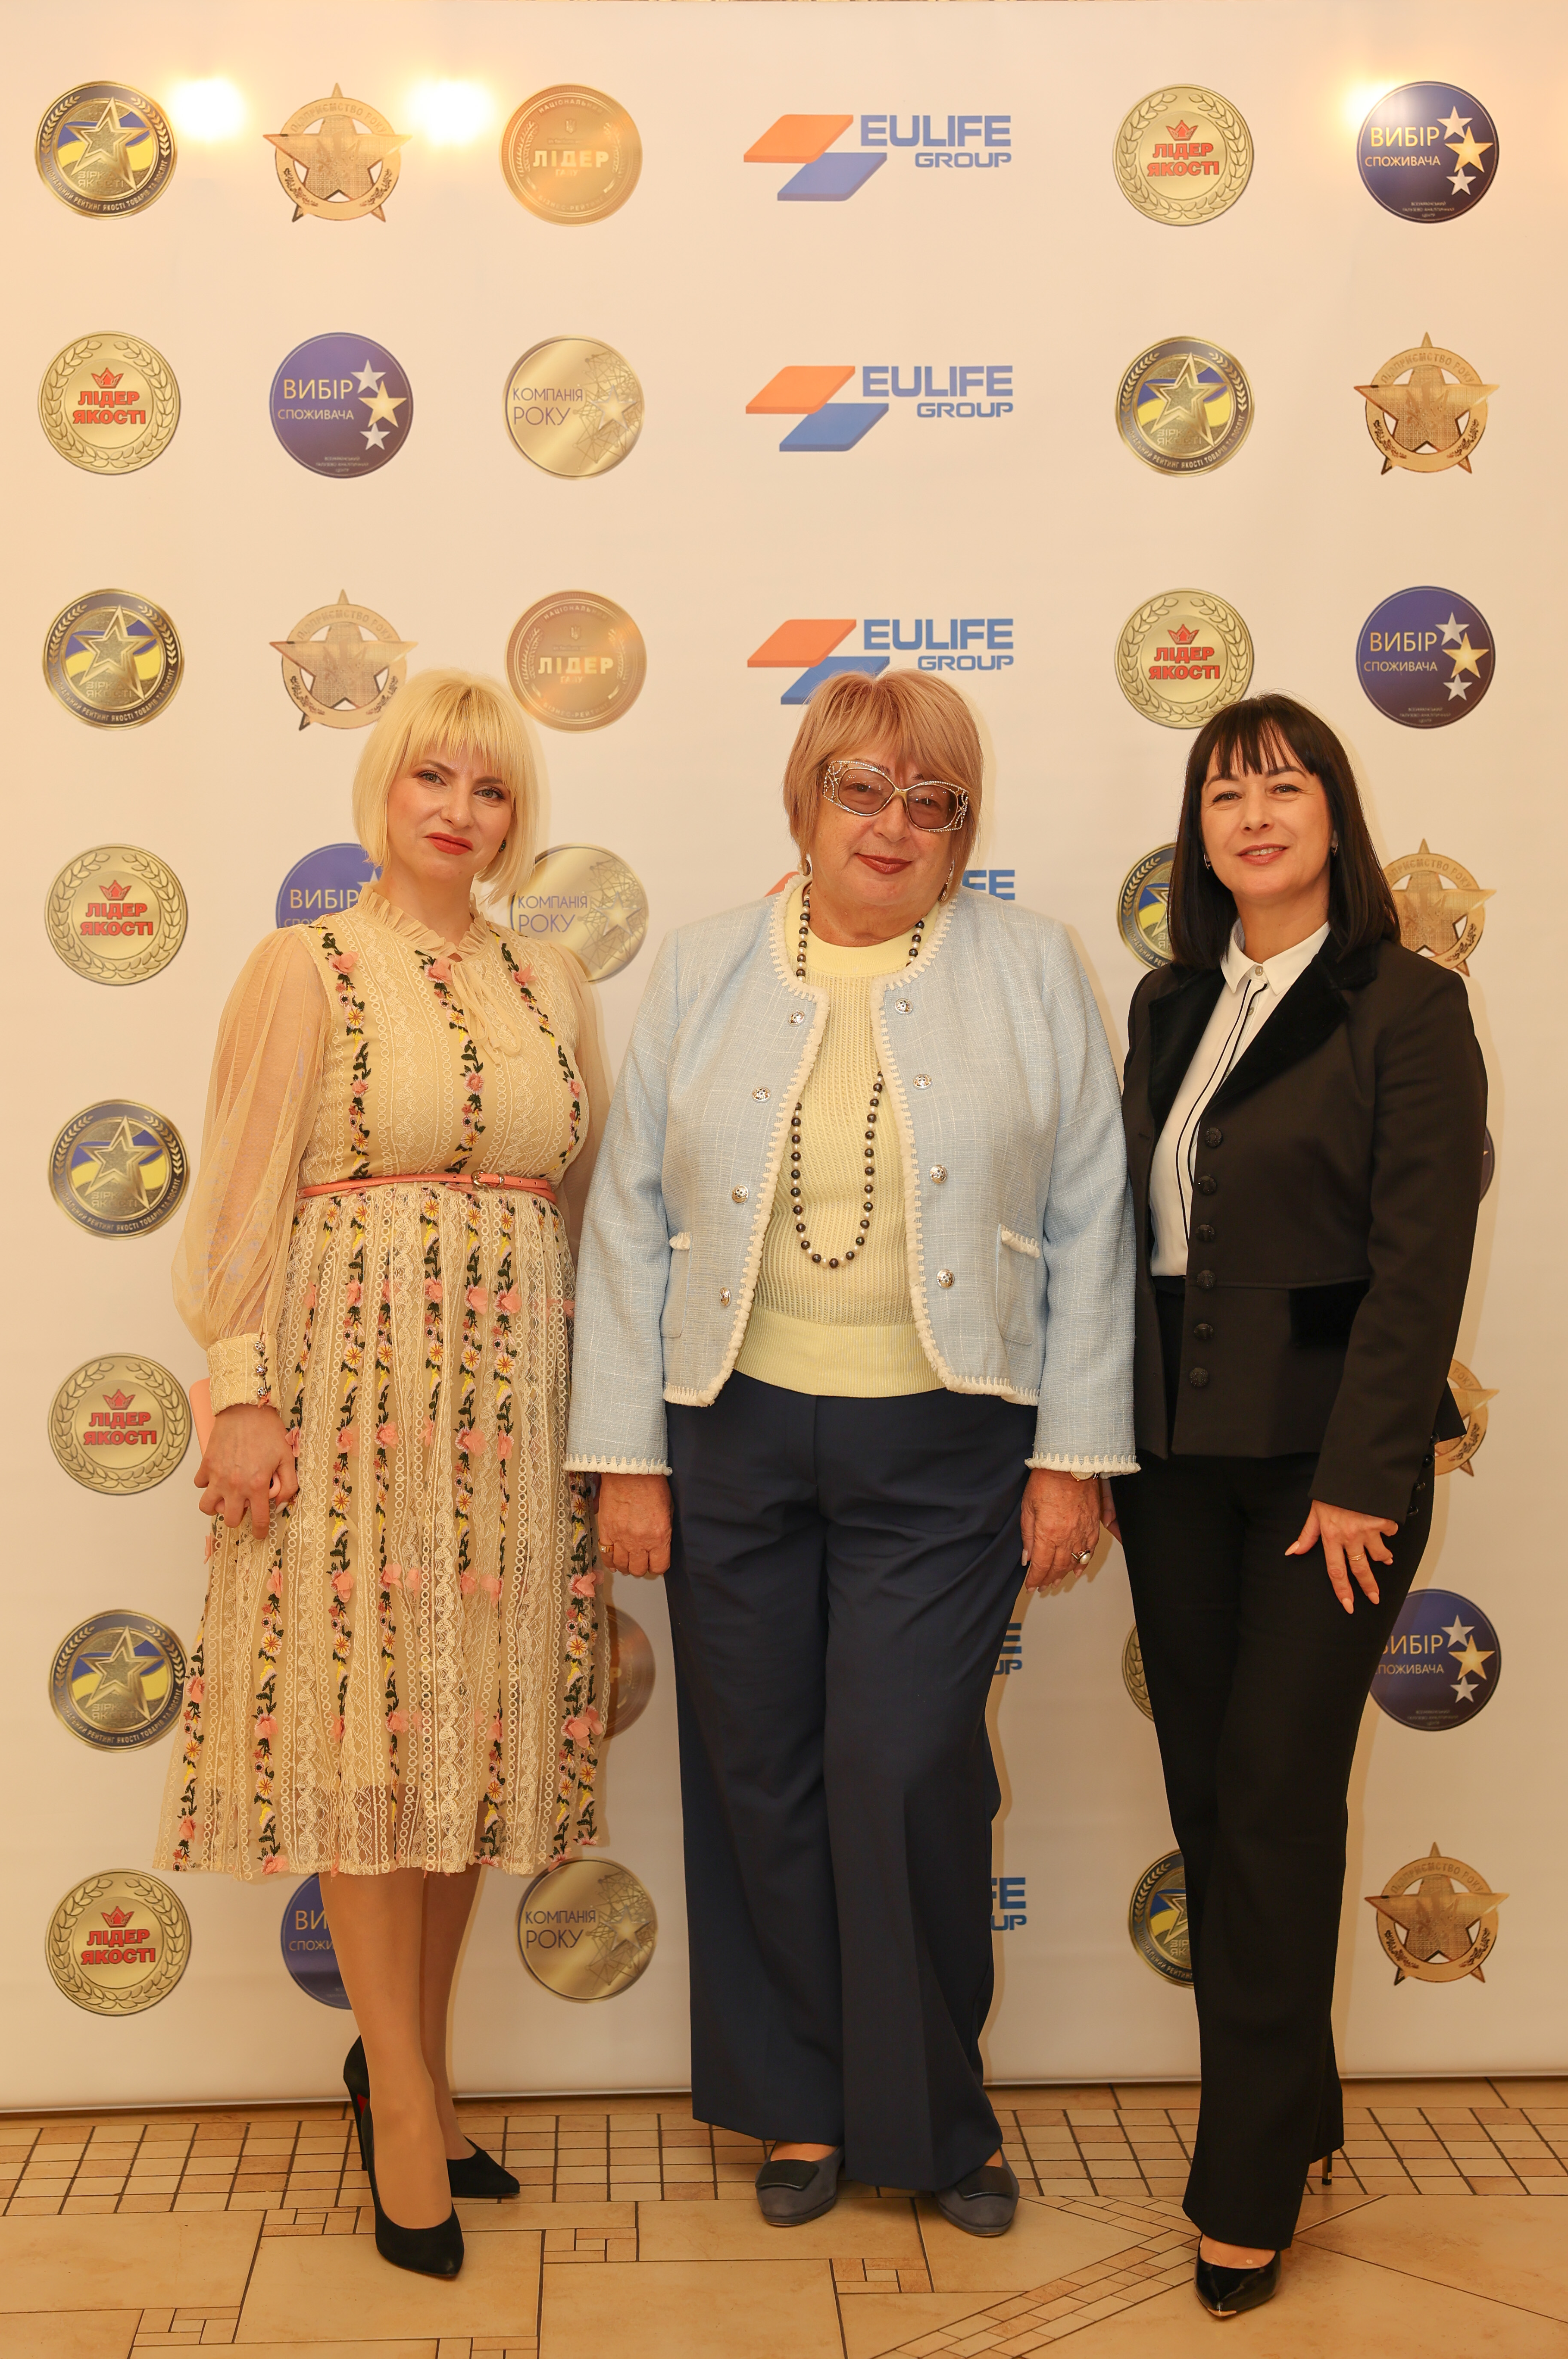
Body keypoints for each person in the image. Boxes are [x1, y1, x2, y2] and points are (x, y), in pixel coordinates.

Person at [566, 670, 1134, 2235]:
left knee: (906, 1770)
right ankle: (798, 2106)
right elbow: (628, 1222)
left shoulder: (1033, 965)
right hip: (731, 1429)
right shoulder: (702, 966)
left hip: (952, 1440)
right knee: (758, 1774)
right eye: (862, 789)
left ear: (963, 828)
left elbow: (1093, 1218)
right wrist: (628, 1457)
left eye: (931, 800)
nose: (894, 824)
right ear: (807, 802)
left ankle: (936, 2120)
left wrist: (1074, 1456)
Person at [156, 670, 609, 2278]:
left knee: (470, 1749)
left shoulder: (555, 979)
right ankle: (405, 2112)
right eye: (433, 778)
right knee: (369, 1734)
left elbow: (583, 1209)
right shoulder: (307, 966)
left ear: (516, 815)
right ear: (384, 791)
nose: (460, 812)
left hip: (513, 1413)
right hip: (348, 1399)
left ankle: (413, 2067)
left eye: (490, 788)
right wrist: (241, 1395)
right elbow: (239, 1195)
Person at [1113, 694, 1485, 2319]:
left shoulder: (1407, 1003)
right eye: (1224, 793)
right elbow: (1135, 1242)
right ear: (1198, 834)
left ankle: (1247, 2183)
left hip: (1327, 1480)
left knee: (1272, 1804)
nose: (1253, 815)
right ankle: (1299, 2106)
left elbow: (1421, 1261)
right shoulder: (1169, 1001)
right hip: (1176, 1470)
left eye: (1282, 786)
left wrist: (1358, 1477)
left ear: (1335, 810)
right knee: (1216, 1805)